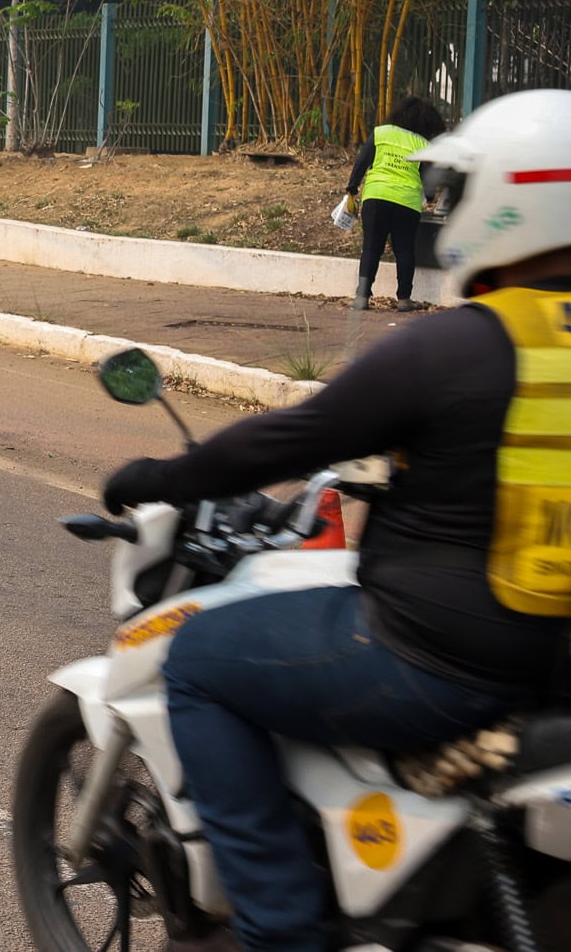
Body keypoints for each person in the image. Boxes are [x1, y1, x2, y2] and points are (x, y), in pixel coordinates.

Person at [101, 87, 571, 952]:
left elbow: (290, 438)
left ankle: (280, 927)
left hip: (439, 658)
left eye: (458, 193)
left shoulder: (454, 346)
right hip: (557, 676)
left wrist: (160, 473)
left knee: (199, 661)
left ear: (511, 199)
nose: (447, 210)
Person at [345, 95, 446, 310]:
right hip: (407, 202)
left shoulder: (381, 133)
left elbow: (362, 162)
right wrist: (429, 198)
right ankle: (403, 299)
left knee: (371, 248)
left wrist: (352, 188)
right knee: (405, 250)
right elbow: (428, 182)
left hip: (376, 197)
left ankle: (362, 297)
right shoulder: (422, 143)